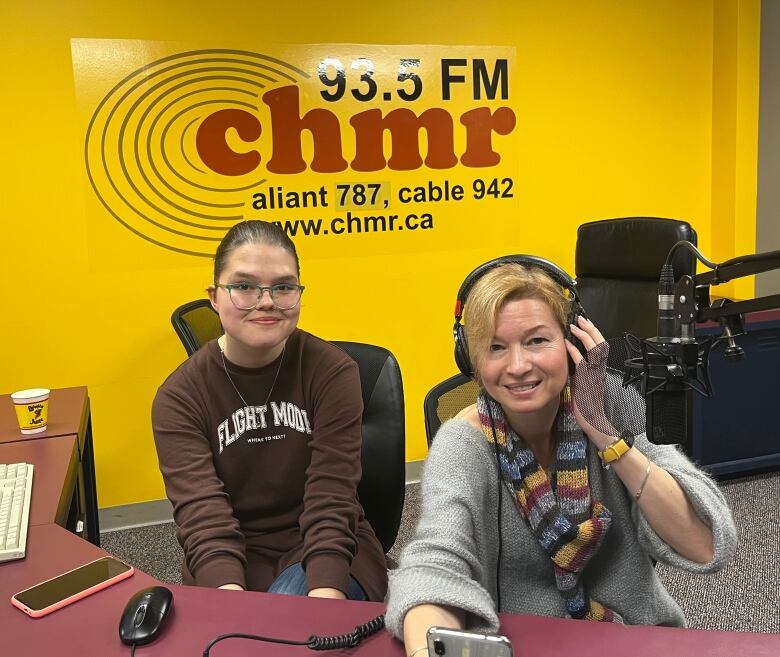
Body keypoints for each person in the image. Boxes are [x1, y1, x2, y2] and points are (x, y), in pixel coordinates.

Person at [386, 259, 737, 655]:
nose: (518, 366)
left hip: (632, 638)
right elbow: (434, 566)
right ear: (472, 360)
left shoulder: (614, 402)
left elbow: (706, 544)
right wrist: (426, 651)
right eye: (496, 347)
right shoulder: (464, 443)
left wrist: (608, 438)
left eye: (537, 341)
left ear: (571, 344)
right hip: (524, 645)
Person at [152, 220, 387, 601]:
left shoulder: (332, 372)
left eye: (283, 286)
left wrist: (324, 601)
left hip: (327, 548)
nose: (266, 301)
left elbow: (331, 498)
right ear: (214, 297)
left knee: (293, 619)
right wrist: (234, 610)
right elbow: (204, 518)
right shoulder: (180, 397)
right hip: (230, 559)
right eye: (244, 286)